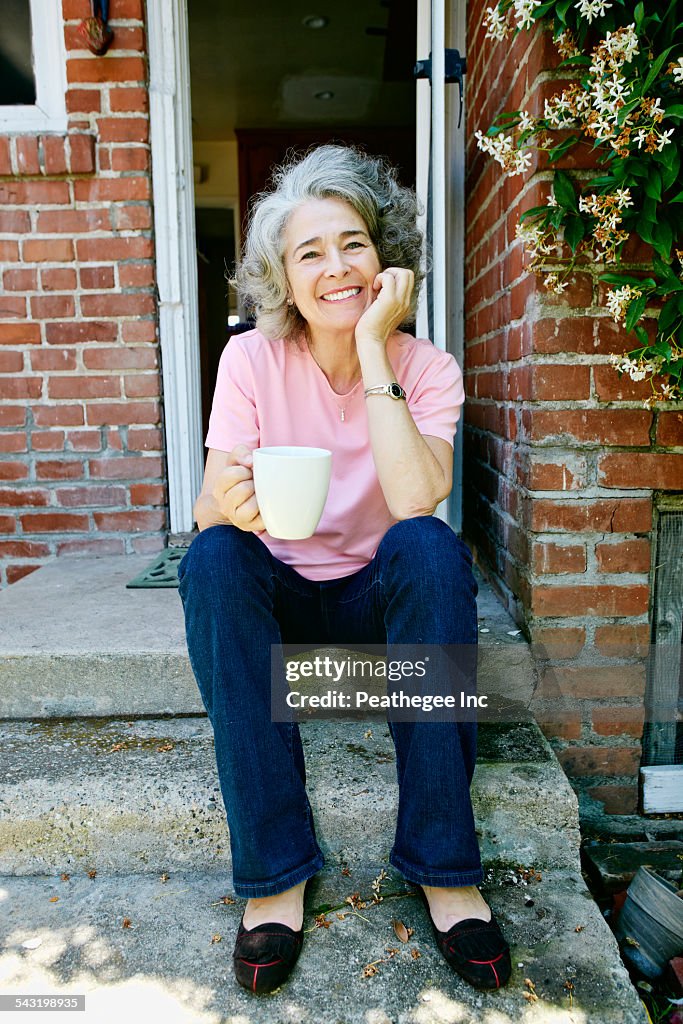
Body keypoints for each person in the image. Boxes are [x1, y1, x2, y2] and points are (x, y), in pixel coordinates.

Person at [177, 144, 511, 995]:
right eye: (309, 252)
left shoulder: (426, 368)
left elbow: (413, 500)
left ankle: (444, 866)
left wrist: (372, 347)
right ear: (281, 278)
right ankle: (275, 873)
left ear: (384, 254)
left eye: (353, 242)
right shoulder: (249, 358)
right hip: (282, 600)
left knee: (430, 549)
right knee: (213, 556)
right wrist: (234, 507)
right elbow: (208, 505)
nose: (335, 267)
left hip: (377, 600)